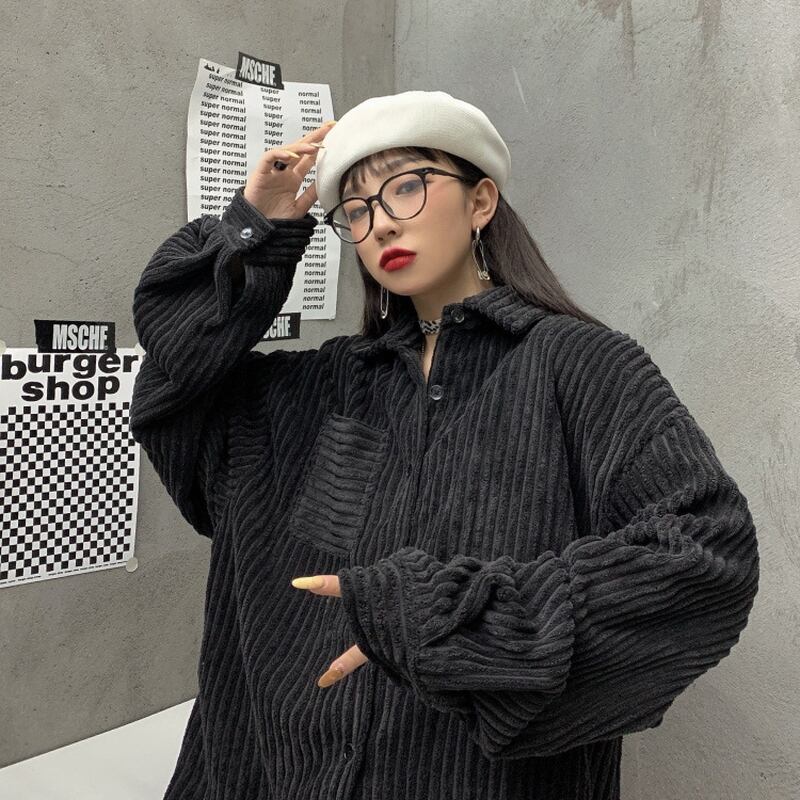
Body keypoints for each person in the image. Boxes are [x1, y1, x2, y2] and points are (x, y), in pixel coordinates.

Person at [130, 90, 760, 800]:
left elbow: (708, 556)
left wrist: (447, 621)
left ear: (480, 201)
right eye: (356, 209)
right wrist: (255, 233)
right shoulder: (315, 389)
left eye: (406, 186)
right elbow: (172, 390)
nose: (379, 223)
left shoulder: (579, 366)